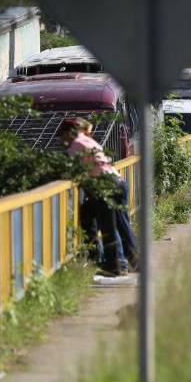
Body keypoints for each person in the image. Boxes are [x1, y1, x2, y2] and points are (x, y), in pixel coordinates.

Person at [58, 118, 139, 276]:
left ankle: (115, 265)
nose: (61, 139)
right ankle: (134, 261)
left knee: (108, 226)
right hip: (117, 182)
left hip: (105, 186)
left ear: (69, 133)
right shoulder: (89, 141)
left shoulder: (76, 145)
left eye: (62, 135)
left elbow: (70, 170)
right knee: (118, 223)